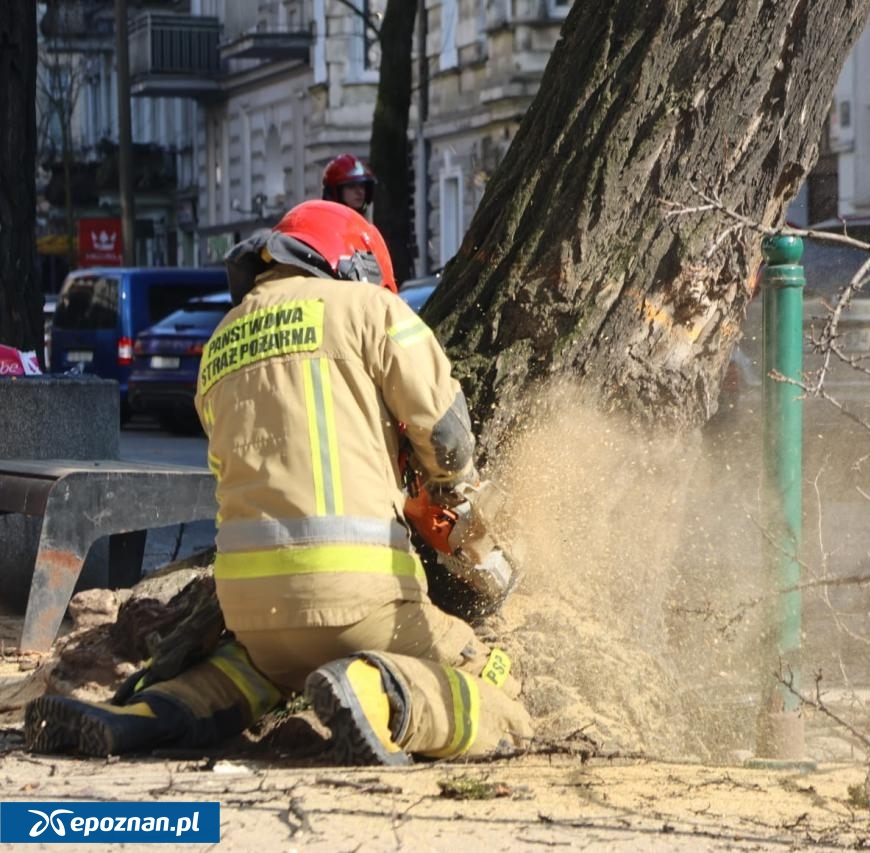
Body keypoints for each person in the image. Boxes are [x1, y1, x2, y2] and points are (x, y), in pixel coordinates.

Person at [24, 200, 533, 765]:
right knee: (493, 685)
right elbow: (448, 438)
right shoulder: (370, 310)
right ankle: (382, 694)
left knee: (251, 673)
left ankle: (143, 714)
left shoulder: (219, 345)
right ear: (357, 263)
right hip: (362, 598)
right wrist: (453, 502)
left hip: (250, 611)